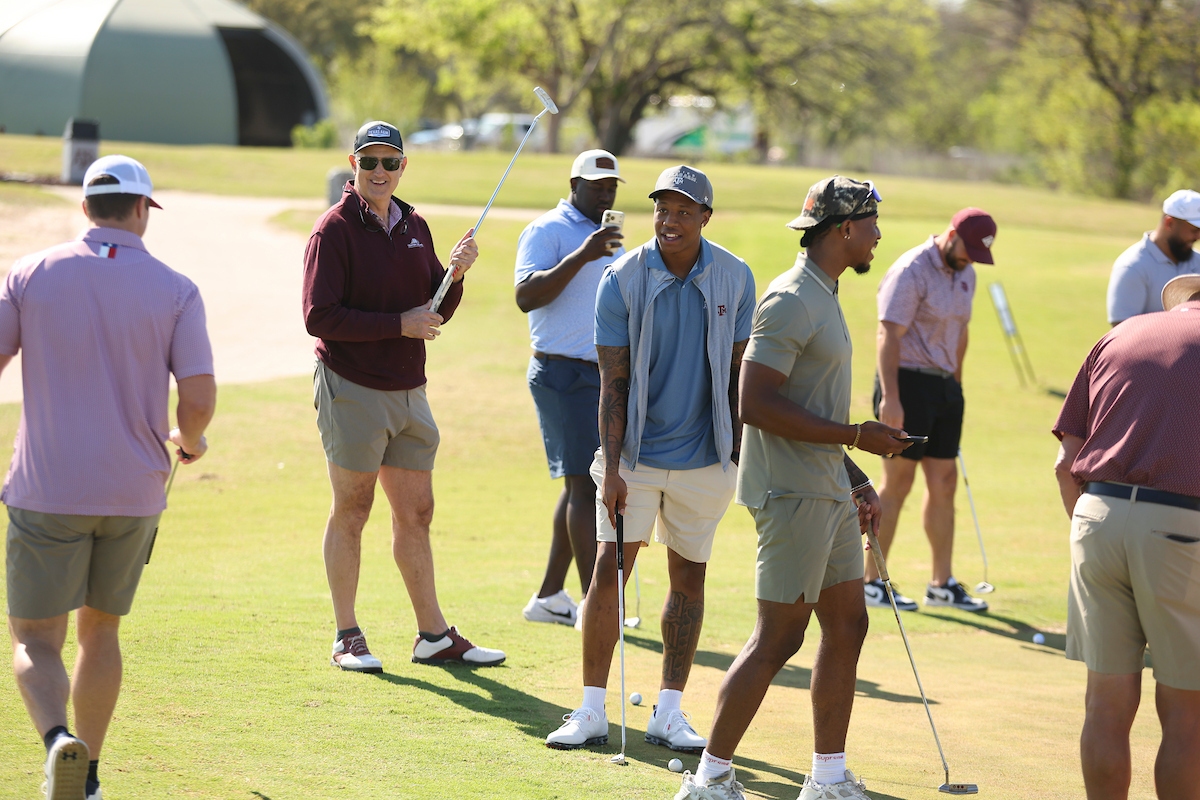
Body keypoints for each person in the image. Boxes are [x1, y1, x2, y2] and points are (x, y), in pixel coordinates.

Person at [674, 175, 912, 800]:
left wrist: (854, 473)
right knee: (779, 636)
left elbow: (811, 403)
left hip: (826, 487)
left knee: (849, 624)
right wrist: (857, 436)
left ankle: (827, 778)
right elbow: (754, 402)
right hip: (791, 493)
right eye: (872, 224)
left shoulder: (824, 292)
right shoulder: (790, 299)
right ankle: (708, 780)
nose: (878, 235)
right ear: (844, 229)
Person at [2, 155, 216, 800]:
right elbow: (198, 397)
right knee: (101, 630)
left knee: (36, 637)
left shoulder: (30, 273)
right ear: (143, 210)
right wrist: (191, 442)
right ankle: (88, 776)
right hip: (133, 491)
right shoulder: (176, 289)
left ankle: (56, 743)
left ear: (86, 207)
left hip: (47, 487)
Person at [545, 165, 755, 753]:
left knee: (689, 578)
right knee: (609, 570)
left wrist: (736, 456)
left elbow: (738, 374)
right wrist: (612, 470)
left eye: (684, 211)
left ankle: (669, 711)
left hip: (706, 458)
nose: (670, 220)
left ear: (705, 217)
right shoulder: (621, 278)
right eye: (663, 209)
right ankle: (591, 709)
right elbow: (612, 382)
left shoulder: (735, 277)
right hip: (633, 455)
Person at [302, 120, 504, 672]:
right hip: (352, 387)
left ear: (402, 167)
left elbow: (433, 310)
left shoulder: (414, 224)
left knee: (417, 512)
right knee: (353, 508)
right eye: (369, 161)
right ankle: (347, 636)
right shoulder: (333, 230)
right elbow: (319, 316)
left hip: (409, 389)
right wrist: (399, 324)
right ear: (354, 165)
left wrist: (455, 276)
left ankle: (433, 636)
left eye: (389, 162)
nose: (379, 171)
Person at [1053, 273, 1200, 800]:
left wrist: (1093, 531)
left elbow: (1065, 463)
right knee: (1187, 715)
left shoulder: (1121, 334)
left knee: (1105, 705)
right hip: (1183, 526)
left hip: (1096, 518)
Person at [866, 207, 997, 613]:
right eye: (968, 250)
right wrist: (891, 397)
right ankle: (870, 581)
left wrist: (956, 384)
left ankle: (941, 584)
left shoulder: (967, 273)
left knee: (944, 482)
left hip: (944, 387)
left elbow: (961, 330)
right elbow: (888, 333)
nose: (971, 259)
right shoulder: (913, 269)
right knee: (898, 482)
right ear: (952, 234)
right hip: (906, 384)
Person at [514, 150, 625, 627]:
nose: (605, 195)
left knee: (579, 484)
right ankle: (593, 604)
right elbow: (526, 296)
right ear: (574, 184)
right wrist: (584, 254)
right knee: (587, 486)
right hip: (561, 374)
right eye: (597, 186)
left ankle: (548, 597)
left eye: (611, 187)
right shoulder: (547, 230)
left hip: (598, 375)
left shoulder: (607, 235)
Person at [1106, 189, 1200, 325]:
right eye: (1194, 230)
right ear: (1169, 223)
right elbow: (1123, 328)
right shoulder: (1132, 266)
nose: (1198, 237)